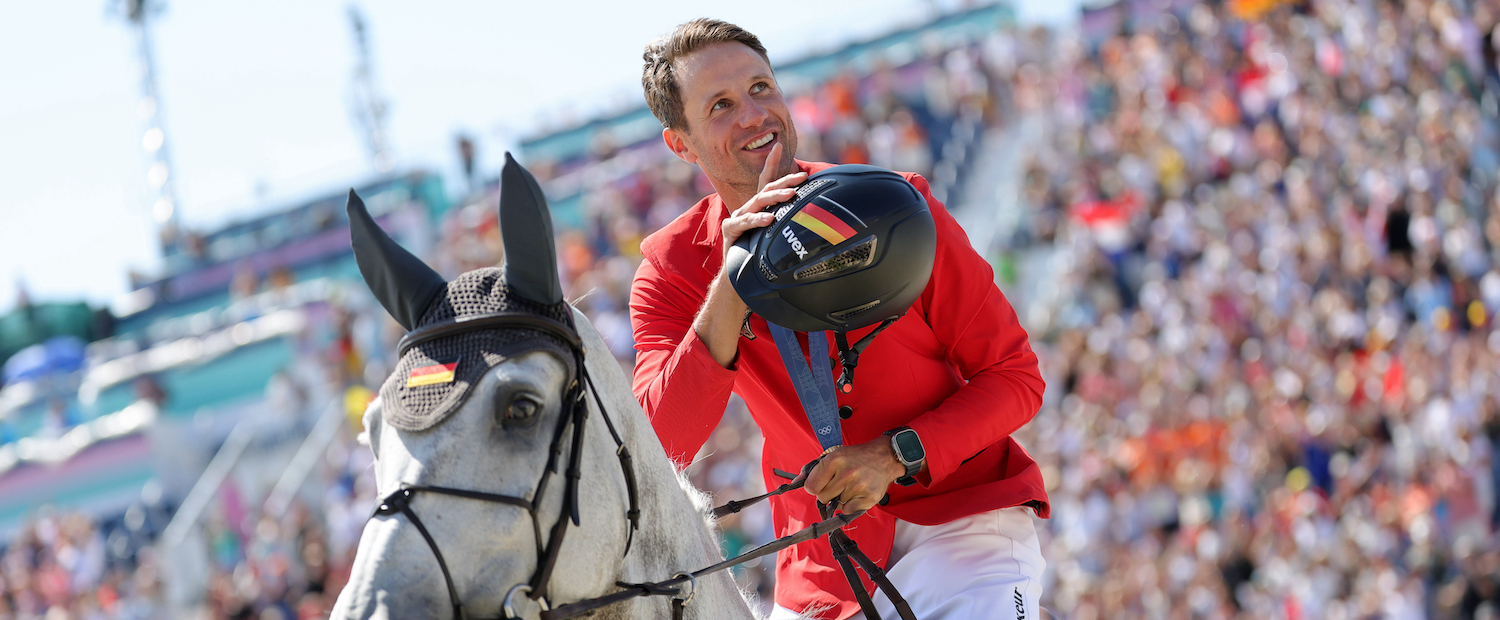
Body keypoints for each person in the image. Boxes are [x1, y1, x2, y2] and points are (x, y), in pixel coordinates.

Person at [630, 19, 1048, 620]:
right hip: (825, 566)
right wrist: (731, 284)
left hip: (965, 520)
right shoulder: (670, 270)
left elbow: (1016, 376)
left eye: (761, 88)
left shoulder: (895, 204)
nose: (753, 114)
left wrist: (895, 453)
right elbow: (663, 443)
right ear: (681, 144)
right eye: (721, 105)